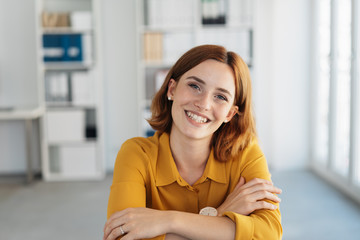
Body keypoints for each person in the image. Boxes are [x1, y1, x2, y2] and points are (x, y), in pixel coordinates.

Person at [104, 44, 282, 240]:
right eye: (195, 86)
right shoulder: (136, 153)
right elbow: (122, 236)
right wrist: (220, 214)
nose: (204, 104)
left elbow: (269, 234)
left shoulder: (246, 153)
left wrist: (168, 221)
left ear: (230, 114)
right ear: (172, 89)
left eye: (220, 97)